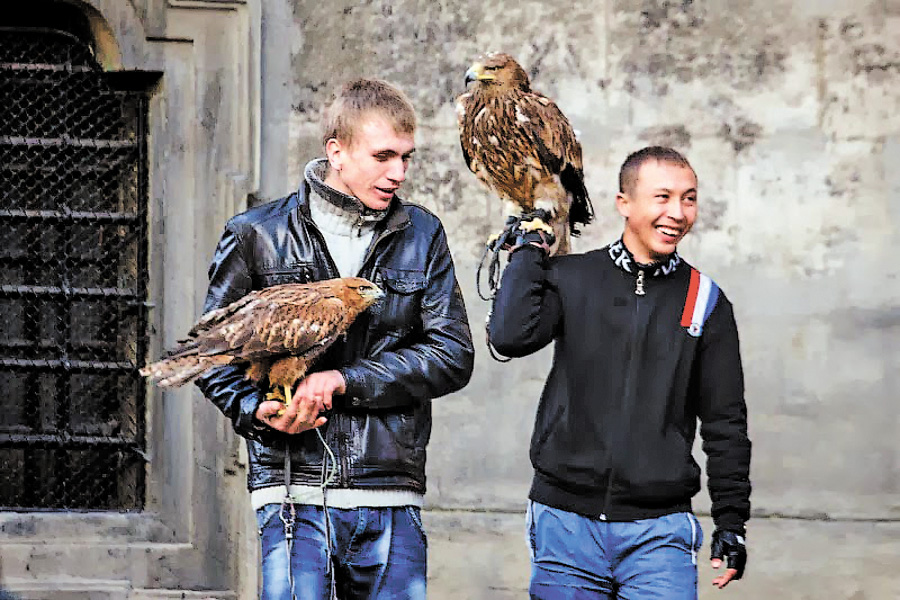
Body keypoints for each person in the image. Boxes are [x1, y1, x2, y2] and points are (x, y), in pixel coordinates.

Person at [196, 79, 474, 600]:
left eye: (406, 158)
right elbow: (213, 355)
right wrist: (258, 408)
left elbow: (452, 355)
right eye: (384, 156)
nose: (399, 173)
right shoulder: (257, 234)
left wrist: (344, 379)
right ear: (337, 152)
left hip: (390, 489)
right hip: (291, 488)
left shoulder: (422, 234)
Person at [489, 146, 751, 599]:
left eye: (689, 199)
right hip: (564, 525)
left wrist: (732, 522)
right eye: (662, 197)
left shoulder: (705, 300)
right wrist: (529, 251)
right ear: (624, 204)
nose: (677, 213)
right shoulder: (572, 277)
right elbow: (509, 336)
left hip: (659, 532)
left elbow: (725, 422)